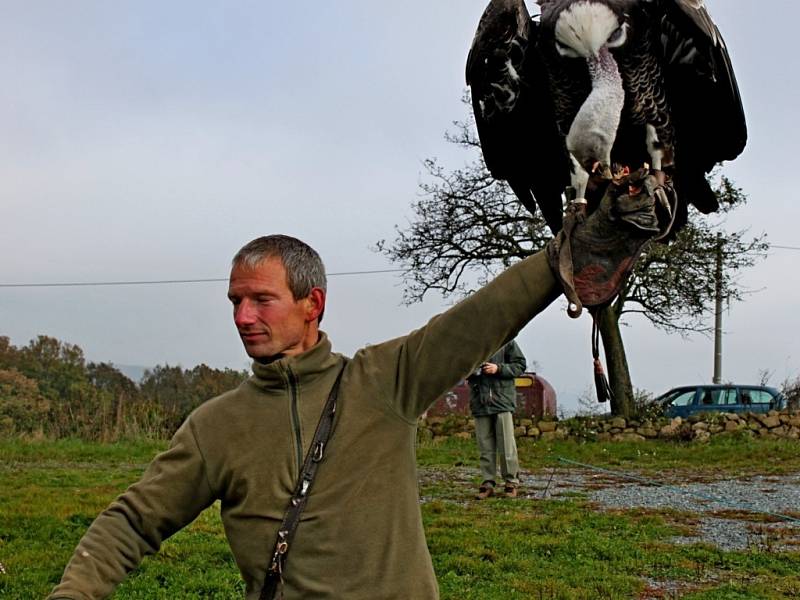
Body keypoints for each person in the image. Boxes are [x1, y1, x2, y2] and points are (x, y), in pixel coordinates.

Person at [49, 169, 670, 599]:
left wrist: (559, 260)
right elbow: (133, 521)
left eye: (261, 299)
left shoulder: (383, 382)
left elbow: (479, 319)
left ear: (311, 303)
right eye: (235, 301)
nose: (243, 316)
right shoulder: (217, 426)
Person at [468, 340, 526, 499]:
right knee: (484, 445)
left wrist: (498, 368)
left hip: (502, 402)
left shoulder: (507, 341)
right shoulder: (471, 343)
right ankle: (488, 483)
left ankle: (511, 483)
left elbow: (520, 365)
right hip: (480, 401)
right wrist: (471, 371)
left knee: (507, 444)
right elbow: (459, 369)